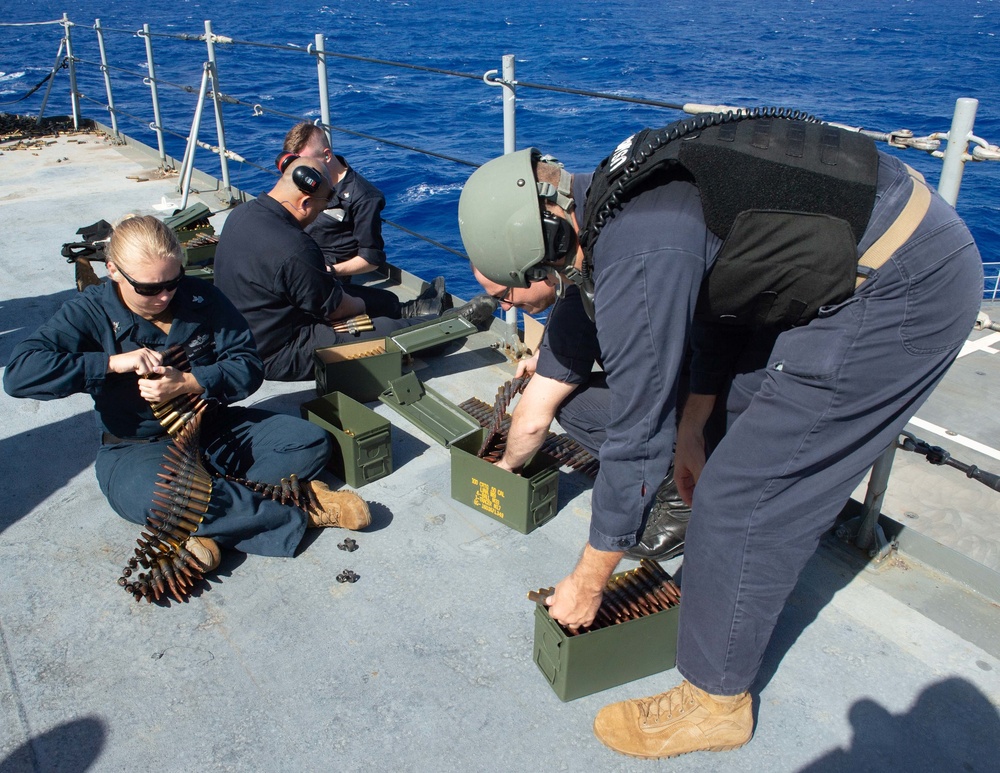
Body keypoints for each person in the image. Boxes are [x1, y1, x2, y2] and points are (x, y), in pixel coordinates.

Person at [457, 114, 983, 759]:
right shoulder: (611, 197)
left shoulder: (643, 244)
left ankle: (716, 703)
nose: (512, 305)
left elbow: (636, 433)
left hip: (901, 286)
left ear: (547, 236)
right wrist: (694, 432)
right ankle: (725, 557)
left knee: (744, 498)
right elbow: (722, 297)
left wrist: (590, 578)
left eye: (513, 287)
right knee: (728, 453)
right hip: (835, 273)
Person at [3, 215, 372, 573]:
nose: (164, 296)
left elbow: (247, 365)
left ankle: (204, 526)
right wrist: (112, 363)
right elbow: (20, 374)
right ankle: (302, 509)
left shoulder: (201, 299)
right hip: (138, 447)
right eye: (148, 288)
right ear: (113, 269)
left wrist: (191, 382)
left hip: (209, 426)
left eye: (172, 281)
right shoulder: (89, 311)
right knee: (159, 499)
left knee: (307, 441)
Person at [472, 264, 693, 560]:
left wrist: (507, 466)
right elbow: (568, 316)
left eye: (505, 295)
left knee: (568, 403)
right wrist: (543, 356)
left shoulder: (579, 299)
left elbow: (533, 423)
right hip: (696, 387)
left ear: (536, 272)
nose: (505, 306)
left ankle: (679, 500)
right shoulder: (591, 271)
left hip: (699, 412)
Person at [213, 157, 497, 381]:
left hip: (255, 329)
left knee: (369, 297)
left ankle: (410, 309)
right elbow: (337, 310)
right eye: (321, 208)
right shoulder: (295, 247)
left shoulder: (242, 214)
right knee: (388, 332)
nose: (317, 216)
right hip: (278, 352)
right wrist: (359, 305)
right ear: (305, 202)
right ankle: (453, 325)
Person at [282, 122, 447, 319]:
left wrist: (331, 270)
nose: (302, 173)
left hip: (323, 272)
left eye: (306, 164)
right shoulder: (301, 185)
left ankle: (413, 311)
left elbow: (371, 259)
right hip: (294, 257)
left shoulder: (363, 196)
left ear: (327, 155)